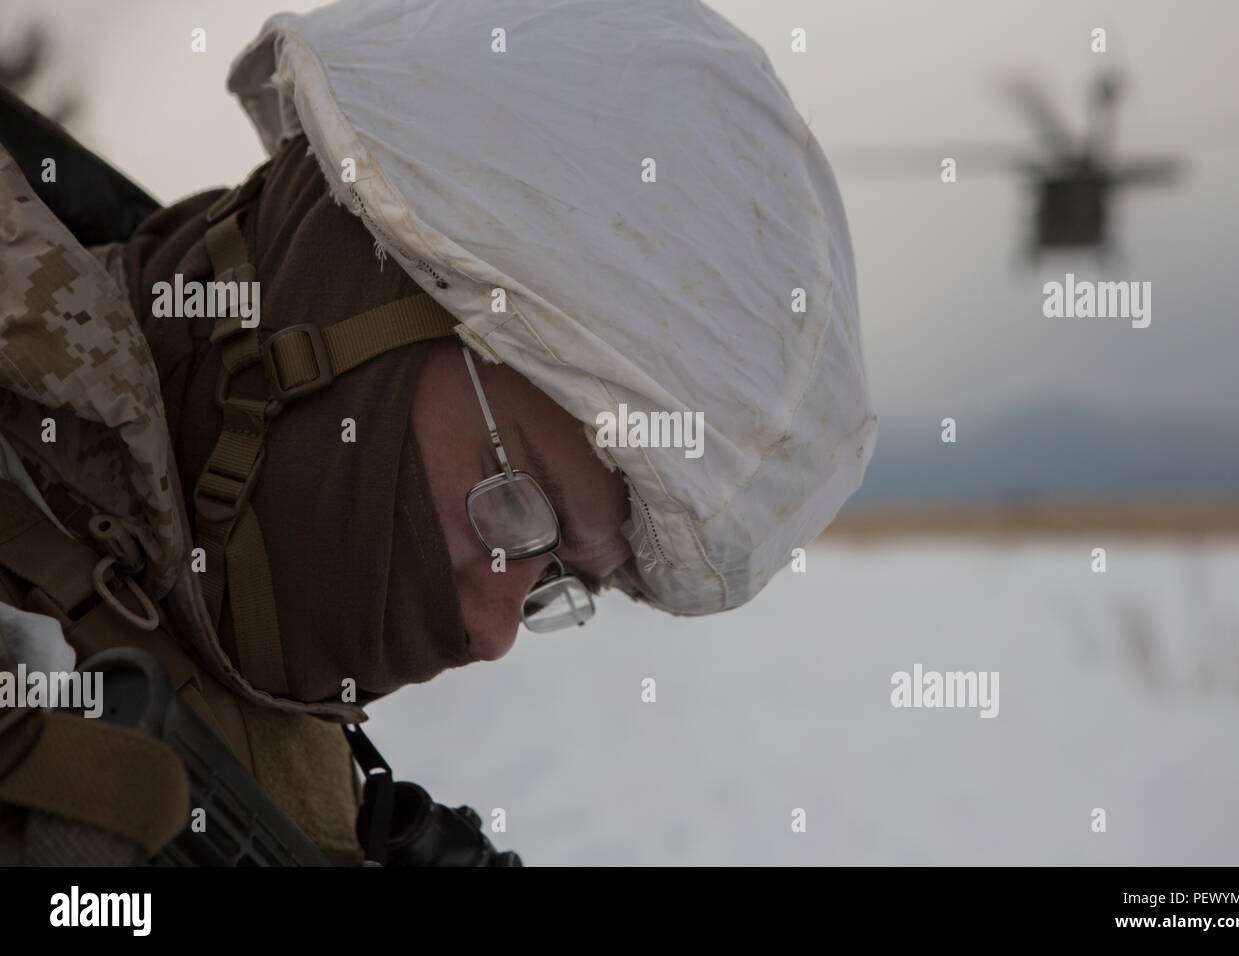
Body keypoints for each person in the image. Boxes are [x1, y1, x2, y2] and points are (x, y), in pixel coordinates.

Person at [0, 0, 875, 865]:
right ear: (360, 276)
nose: (493, 635)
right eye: (521, 505)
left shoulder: (278, 745)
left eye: (556, 580)